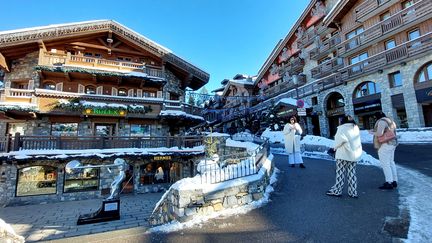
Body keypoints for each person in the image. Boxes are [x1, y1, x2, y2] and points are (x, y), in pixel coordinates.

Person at [326, 115, 362, 198]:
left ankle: (337, 191)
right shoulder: (355, 128)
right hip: (354, 154)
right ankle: (353, 192)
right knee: (352, 173)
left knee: (340, 173)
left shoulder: (342, 128)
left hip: (343, 154)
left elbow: (339, 140)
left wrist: (334, 148)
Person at [369, 112, 398, 190]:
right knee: (391, 162)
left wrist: (371, 132)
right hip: (393, 143)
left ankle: (389, 182)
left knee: (385, 164)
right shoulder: (390, 121)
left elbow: (379, 133)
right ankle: (394, 181)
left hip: (385, 144)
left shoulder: (381, 121)